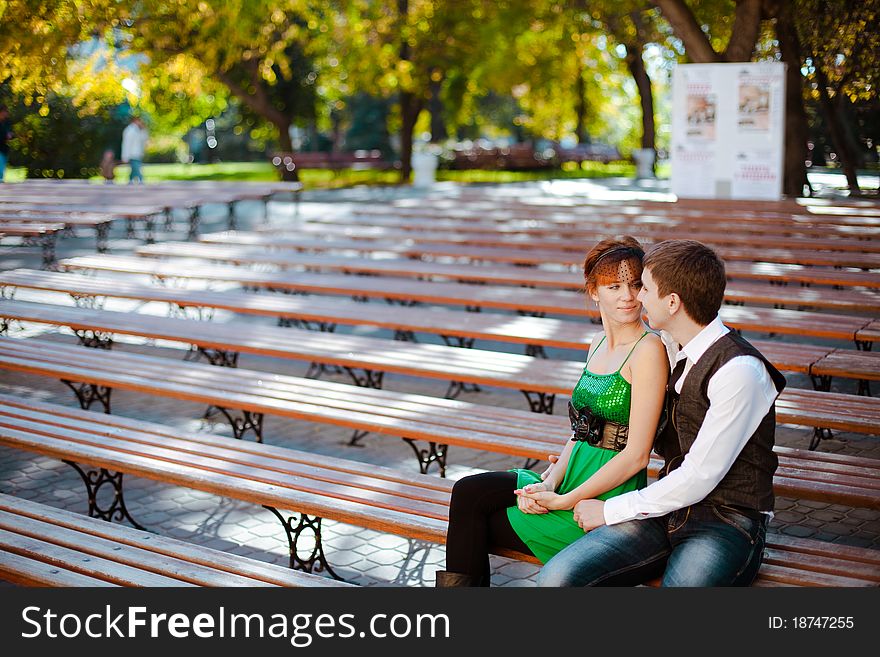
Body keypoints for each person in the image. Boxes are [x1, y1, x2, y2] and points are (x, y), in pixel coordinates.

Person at [536, 239, 787, 587]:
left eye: (645, 288)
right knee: (556, 579)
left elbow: (700, 476)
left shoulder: (739, 370)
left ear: (672, 302)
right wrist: (574, 454)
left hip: (726, 521)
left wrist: (609, 509)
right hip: (667, 509)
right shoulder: (673, 346)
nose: (636, 298)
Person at [436, 236, 669, 586]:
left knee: (477, 522)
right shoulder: (598, 343)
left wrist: (563, 501)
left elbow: (637, 456)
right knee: (469, 491)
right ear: (594, 292)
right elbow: (583, 430)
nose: (628, 296)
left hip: (601, 497)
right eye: (614, 286)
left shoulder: (648, 349)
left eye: (636, 285)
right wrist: (549, 482)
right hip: (569, 475)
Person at [121, 116, 148, 184]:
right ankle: (142, 184)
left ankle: (129, 184)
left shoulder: (138, 130)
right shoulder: (129, 130)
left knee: (133, 172)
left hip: (137, 154)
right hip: (132, 155)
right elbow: (126, 144)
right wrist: (125, 156)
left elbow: (144, 139)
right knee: (137, 171)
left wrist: (143, 129)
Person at [0, 105, 12, 183]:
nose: (5, 113)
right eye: (4, 112)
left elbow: (9, 133)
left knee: (2, 168)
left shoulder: (7, 122)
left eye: (6, 112)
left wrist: (9, 135)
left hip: (4, 148)